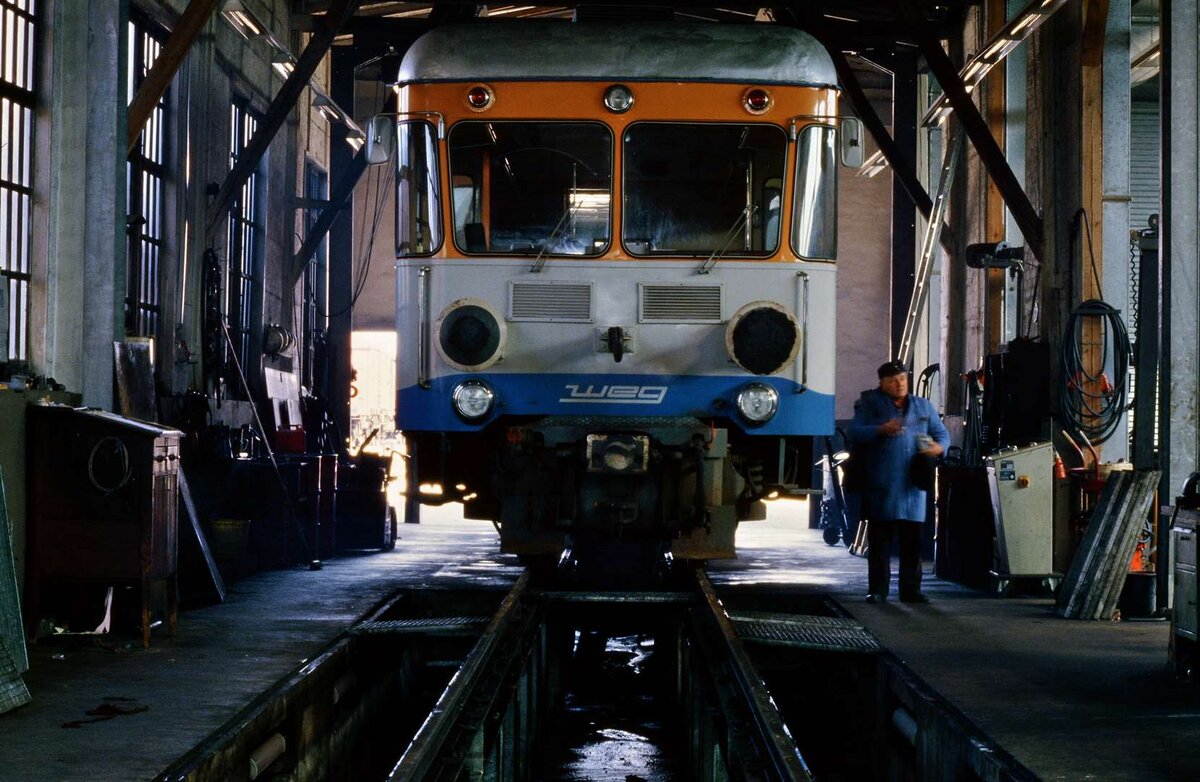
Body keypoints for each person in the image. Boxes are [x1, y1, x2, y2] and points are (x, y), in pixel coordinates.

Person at [849, 360, 950, 604]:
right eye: (893, 380)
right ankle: (878, 590)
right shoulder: (869, 404)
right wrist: (880, 429)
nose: (899, 384)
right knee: (880, 543)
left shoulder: (923, 406)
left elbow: (942, 434)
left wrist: (939, 448)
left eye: (903, 379)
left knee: (912, 543)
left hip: (913, 487)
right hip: (881, 485)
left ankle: (911, 591)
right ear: (882, 383)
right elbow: (855, 431)